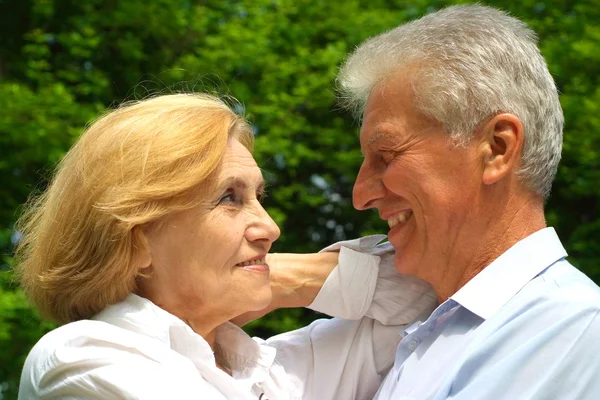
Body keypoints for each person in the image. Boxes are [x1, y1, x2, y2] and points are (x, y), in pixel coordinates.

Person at [15, 93, 436, 399]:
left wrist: (289, 279)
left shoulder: (269, 372)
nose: (269, 228)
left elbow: (433, 285)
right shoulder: (81, 358)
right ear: (137, 240)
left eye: (259, 197)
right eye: (228, 198)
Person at [337, 4, 600, 399]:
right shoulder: (429, 328)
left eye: (386, 155)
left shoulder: (568, 328)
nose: (361, 195)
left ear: (496, 148)